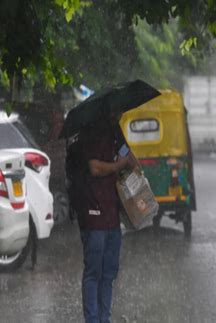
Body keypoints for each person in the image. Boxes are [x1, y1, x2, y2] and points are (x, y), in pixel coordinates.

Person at [76, 113, 136, 323]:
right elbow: (95, 168)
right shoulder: (91, 133)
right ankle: (93, 320)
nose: (119, 114)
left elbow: (130, 162)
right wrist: (118, 165)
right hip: (93, 215)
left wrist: (129, 159)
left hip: (112, 217)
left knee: (109, 273)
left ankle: (105, 319)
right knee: (94, 272)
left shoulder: (116, 132)